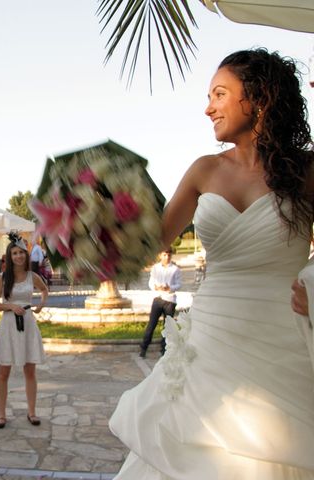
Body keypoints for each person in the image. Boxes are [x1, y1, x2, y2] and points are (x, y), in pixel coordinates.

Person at [109, 49, 314, 478]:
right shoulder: (203, 171)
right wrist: (101, 227)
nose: (208, 108)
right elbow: (148, 243)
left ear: (258, 98)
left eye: (219, 94)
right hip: (210, 341)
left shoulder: (307, 172)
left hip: (283, 341)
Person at [0, 233, 48, 428]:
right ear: (10, 255)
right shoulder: (2, 278)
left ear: (26, 254)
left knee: (30, 371)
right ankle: (1, 414)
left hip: (28, 325)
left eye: (21, 253)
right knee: (3, 371)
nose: (18, 256)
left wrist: (40, 305)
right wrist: (10, 306)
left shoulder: (33, 276)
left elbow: (44, 290)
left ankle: (32, 412)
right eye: (14, 253)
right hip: (8, 326)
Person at [139, 248, 181, 358]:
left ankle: (164, 349)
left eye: (169, 255)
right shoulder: (155, 268)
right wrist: (155, 287)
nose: (167, 257)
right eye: (164, 255)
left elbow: (179, 284)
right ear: (160, 256)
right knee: (152, 324)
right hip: (158, 298)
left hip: (170, 300)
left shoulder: (175, 269)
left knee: (167, 327)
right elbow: (151, 282)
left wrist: (170, 288)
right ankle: (144, 347)